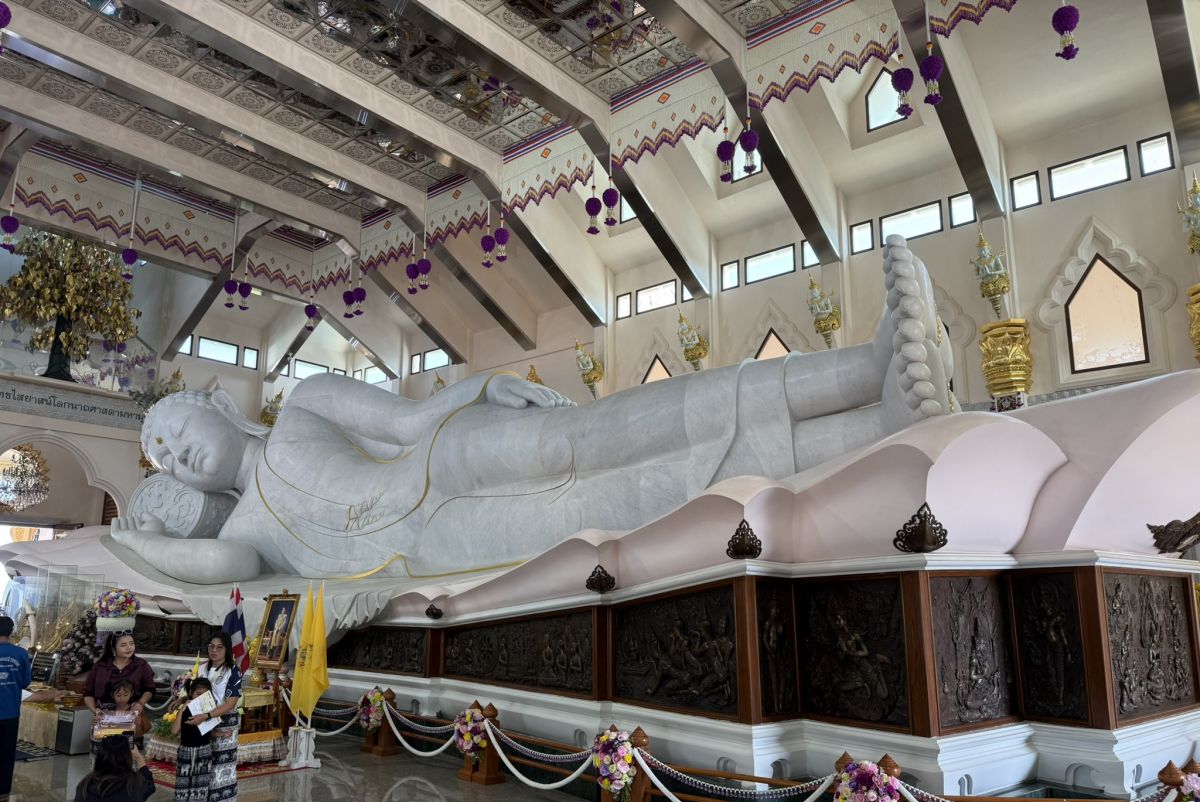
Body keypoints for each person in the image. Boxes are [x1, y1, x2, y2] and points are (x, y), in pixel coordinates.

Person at [108, 237, 955, 584]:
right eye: (168, 462)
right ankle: (874, 427)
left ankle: (864, 365)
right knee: (629, 502)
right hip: (436, 543)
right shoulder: (243, 533)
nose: (181, 457)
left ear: (216, 405)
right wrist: (128, 537)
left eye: (176, 433)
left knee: (606, 430)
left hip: (446, 457)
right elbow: (218, 567)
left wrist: (481, 388)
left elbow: (405, 421)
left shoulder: (302, 404)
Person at [191, 632, 241, 802]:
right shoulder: (203, 667)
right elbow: (194, 692)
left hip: (223, 721)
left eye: (219, 647)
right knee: (202, 766)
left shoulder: (232, 670)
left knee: (221, 769)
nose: (214, 650)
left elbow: (230, 702)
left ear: (227, 650)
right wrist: (181, 699)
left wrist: (208, 715)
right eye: (211, 646)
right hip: (201, 720)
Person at [170, 676, 213, 802]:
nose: (200, 697)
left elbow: (211, 731)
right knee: (182, 786)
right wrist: (182, 710)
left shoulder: (209, 711)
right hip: (185, 751)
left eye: (204, 695)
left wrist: (222, 734)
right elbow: (174, 731)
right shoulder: (185, 709)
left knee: (199, 787)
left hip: (204, 751)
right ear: (191, 693)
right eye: (197, 694)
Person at [0, 614, 31, 802]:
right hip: (10, 712)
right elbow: (25, 682)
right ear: (11, 632)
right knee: (6, 752)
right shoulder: (20, 653)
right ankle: (3, 793)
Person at [83, 633, 155, 715]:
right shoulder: (100, 667)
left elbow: (150, 689)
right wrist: (95, 710)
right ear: (113, 649)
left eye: (131, 643)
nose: (129, 647)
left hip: (133, 714)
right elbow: (88, 693)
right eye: (123, 645)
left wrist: (141, 703)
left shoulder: (141, 665)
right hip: (104, 714)